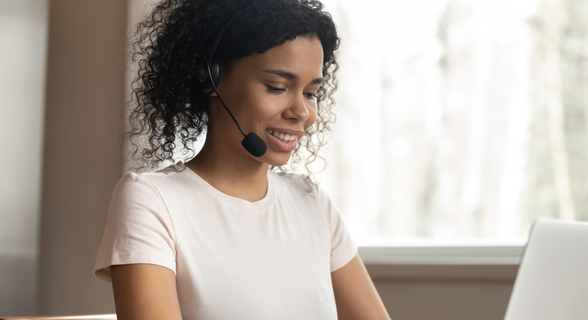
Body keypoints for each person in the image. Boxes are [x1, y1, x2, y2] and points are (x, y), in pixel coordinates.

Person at [93, 0, 390, 319]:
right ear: (212, 79)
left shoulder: (311, 203)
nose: (301, 112)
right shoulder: (152, 201)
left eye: (310, 93)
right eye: (277, 87)